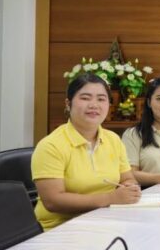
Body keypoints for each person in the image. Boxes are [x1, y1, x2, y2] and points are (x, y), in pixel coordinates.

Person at [32, 73, 140, 230]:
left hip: (107, 220)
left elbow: (127, 178)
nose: (94, 105)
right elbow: (53, 201)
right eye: (85, 98)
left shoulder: (113, 140)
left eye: (101, 99)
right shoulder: (50, 146)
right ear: (68, 104)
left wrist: (129, 187)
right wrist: (110, 198)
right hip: (62, 228)